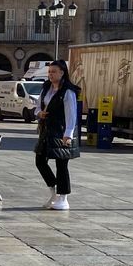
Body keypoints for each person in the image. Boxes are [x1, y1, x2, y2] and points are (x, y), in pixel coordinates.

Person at [35, 59, 80, 211]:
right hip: (47, 130)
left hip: (61, 131)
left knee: (61, 164)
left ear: (62, 73)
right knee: (40, 160)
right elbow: (38, 106)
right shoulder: (46, 88)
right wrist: (39, 113)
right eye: (49, 72)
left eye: (54, 72)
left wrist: (68, 134)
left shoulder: (67, 91)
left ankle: (63, 198)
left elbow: (71, 114)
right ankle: (53, 192)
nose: (51, 75)